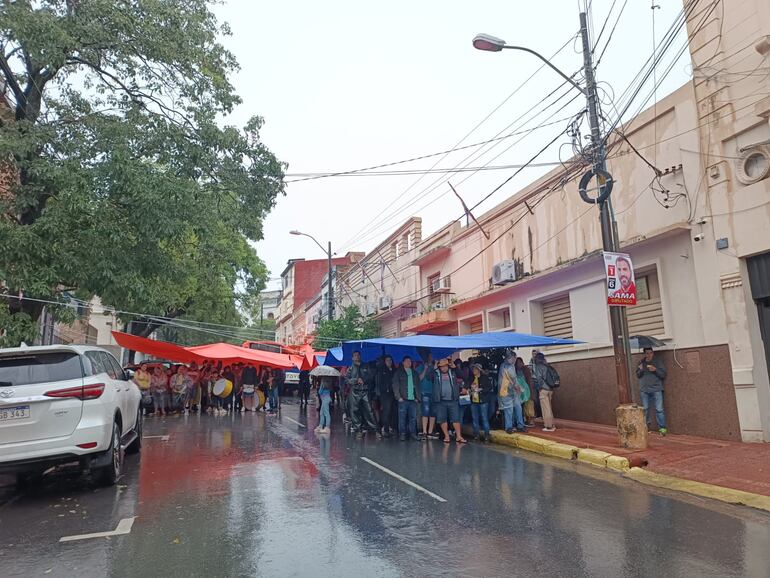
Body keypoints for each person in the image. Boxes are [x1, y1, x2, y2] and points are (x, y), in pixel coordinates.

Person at [432, 358, 467, 444]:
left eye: (445, 366)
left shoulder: (453, 372)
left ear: (448, 366)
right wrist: (434, 367)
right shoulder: (436, 374)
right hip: (440, 400)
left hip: (452, 399)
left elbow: (463, 376)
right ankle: (446, 436)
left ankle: (458, 436)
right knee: (442, 419)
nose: (443, 368)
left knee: (455, 419)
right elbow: (428, 377)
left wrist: (455, 367)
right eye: (441, 367)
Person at [346, 351, 378, 438]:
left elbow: (371, 376)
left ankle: (374, 429)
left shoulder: (366, 366)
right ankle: (358, 430)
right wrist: (356, 380)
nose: (357, 357)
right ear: (352, 358)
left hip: (365, 391)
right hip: (354, 392)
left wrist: (364, 379)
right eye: (355, 356)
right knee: (355, 411)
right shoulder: (350, 369)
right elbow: (347, 380)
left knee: (369, 410)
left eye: (358, 355)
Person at [636, 347, 668, 435]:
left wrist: (655, 370)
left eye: (650, 353)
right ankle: (647, 428)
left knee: (659, 409)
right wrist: (641, 370)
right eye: (647, 353)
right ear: (644, 354)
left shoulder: (657, 362)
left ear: (653, 353)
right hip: (644, 389)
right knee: (645, 409)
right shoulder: (641, 362)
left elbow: (663, 374)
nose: (649, 355)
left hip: (656, 389)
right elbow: (638, 375)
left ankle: (662, 429)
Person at [392, 356, 421, 441]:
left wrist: (417, 397)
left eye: (410, 361)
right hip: (403, 399)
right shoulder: (398, 373)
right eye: (407, 361)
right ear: (403, 362)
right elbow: (395, 385)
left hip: (413, 399)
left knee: (413, 417)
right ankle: (402, 434)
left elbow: (418, 386)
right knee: (402, 417)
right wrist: (398, 397)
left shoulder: (414, 373)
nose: (409, 363)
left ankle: (413, 433)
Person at [498, 351, 525, 434]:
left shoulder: (505, 365)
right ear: (511, 358)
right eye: (514, 358)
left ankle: (515, 426)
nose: (515, 359)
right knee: (511, 409)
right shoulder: (508, 366)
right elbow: (512, 378)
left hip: (508, 390)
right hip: (507, 390)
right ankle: (511, 427)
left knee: (514, 408)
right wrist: (518, 388)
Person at [531, 351, 556, 432]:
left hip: (544, 389)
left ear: (538, 359)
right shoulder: (547, 365)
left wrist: (539, 388)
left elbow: (539, 379)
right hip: (550, 389)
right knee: (549, 408)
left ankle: (548, 426)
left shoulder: (539, 366)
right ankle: (552, 424)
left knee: (545, 409)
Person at [469, 363, 493, 441]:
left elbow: (489, 387)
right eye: (473, 369)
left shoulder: (485, 378)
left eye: (475, 369)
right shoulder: (471, 378)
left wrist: (481, 389)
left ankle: (486, 434)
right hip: (474, 400)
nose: (474, 371)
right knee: (474, 418)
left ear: (479, 370)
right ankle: (476, 434)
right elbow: (467, 385)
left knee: (484, 417)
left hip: (483, 400)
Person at [375, 355, 396, 437]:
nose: (389, 362)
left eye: (390, 360)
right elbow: (378, 382)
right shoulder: (381, 370)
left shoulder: (394, 370)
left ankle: (391, 427)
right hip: (384, 394)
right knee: (386, 411)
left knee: (392, 411)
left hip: (393, 393)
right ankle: (384, 428)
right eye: (387, 360)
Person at [418, 355, 437, 439]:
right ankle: (424, 431)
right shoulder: (419, 368)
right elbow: (419, 379)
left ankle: (430, 431)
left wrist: (435, 368)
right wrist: (425, 369)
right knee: (425, 411)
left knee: (433, 412)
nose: (430, 359)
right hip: (424, 392)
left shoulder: (434, 367)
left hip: (433, 392)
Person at [515, 357, 534, 428]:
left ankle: (531, 420)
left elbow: (529, 380)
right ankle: (525, 419)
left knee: (529, 404)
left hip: (527, 389)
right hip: (519, 390)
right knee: (522, 406)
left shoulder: (526, 370)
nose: (519, 364)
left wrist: (529, 390)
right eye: (517, 363)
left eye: (520, 362)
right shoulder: (515, 370)